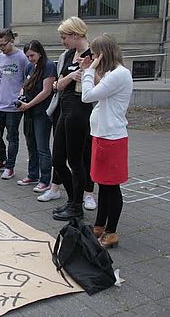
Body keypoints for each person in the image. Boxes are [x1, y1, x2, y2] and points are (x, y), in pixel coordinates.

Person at [80, 34, 133, 248]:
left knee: (111, 187)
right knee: (103, 184)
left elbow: (88, 96)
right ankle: (100, 225)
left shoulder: (120, 74)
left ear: (102, 55)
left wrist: (88, 71)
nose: (91, 57)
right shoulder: (113, 73)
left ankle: (111, 232)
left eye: (93, 54)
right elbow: (103, 91)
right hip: (103, 135)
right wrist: (92, 70)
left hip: (112, 138)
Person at [50, 16, 95, 221]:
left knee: (76, 161)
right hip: (64, 109)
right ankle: (72, 200)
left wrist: (86, 72)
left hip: (79, 111)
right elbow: (57, 85)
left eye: (65, 37)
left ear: (76, 35)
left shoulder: (93, 55)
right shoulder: (68, 55)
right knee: (57, 160)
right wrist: (72, 75)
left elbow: (99, 84)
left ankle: (77, 205)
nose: (63, 41)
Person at [0, 28, 30, 179]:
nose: (1, 48)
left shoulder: (23, 58)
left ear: (12, 41)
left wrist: (19, 98)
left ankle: (10, 167)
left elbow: (27, 81)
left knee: (12, 138)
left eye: (3, 44)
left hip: (13, 108)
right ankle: (1, 160)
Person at [17, 40, 55, 192]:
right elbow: (24, 86)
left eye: (32, 55)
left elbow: (46, 92)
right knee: (30, 144)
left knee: (42, 147)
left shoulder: (49, 66)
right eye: (27, 56)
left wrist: (29, 104)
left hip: (42, 113)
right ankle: (33, 174)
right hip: (29, 112)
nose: (30, 58)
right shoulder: (29, 66)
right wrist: (21, 97)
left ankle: (45, 179)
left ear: (40, 52)